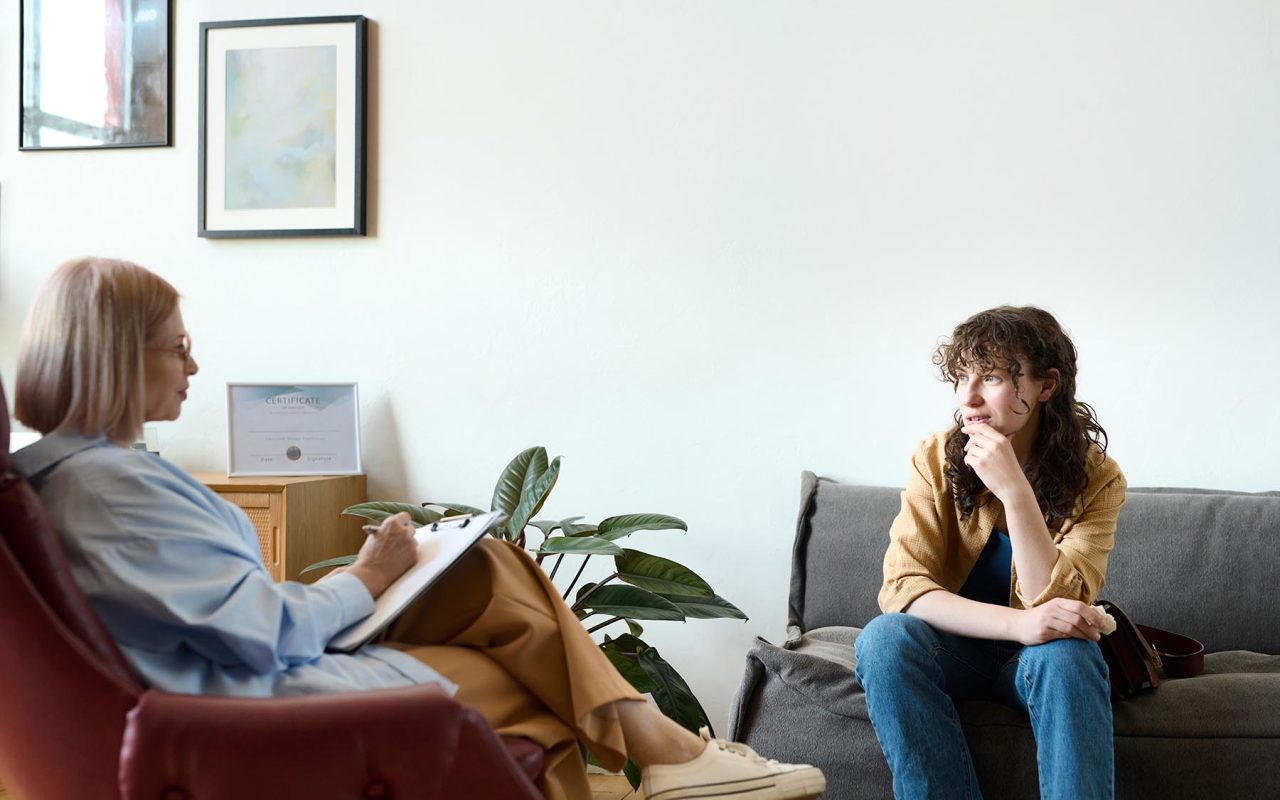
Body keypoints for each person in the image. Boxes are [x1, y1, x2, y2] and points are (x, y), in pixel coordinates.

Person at [10, 256, 827, 800]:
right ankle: (673, 756)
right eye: (178, 347)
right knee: (523, 682)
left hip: (242, 669)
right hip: (253, 703)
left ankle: (668, 757)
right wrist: (363, 579)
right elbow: (258, 635)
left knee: (489, 568)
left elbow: (219, 610)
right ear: (115, 357)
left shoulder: (89, 473)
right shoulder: (110, 491)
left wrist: (371, 574)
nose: (193, 365)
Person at [854, 306, 1126, 800]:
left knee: (1070, 654)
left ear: (1046, 385)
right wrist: (1018, 625)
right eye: (961, 378)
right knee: (884, 640)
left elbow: (1058, 600)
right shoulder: (935, 457)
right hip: (952, 651)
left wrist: (1015, 491)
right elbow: (903, 588)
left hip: (1038, 661)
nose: (969, 399)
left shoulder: (1098, 477)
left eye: (993, 377)